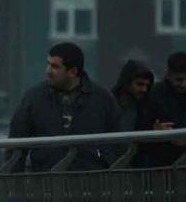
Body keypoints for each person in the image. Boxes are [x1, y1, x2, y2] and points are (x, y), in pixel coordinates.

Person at [9, 42, 121, 172]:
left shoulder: (102, 98)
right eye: (48, 64)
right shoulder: (34, 97)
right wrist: (13, 182)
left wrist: (103, 161)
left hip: (90, 180)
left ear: (72, 71)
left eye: (55, 66)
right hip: (45, 180)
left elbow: (118, 140)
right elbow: (16, 143)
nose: (48, 71)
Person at [147, 52, 186, 166]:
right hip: (163, 160)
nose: (184, 84)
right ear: (168, 75)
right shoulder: (156, 93)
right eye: (179, 80)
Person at [112, 60, 155, 132]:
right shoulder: (109, 103)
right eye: (140, 84)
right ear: (127, 82)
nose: (144, 89)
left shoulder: (147, 106)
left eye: (147, 85)